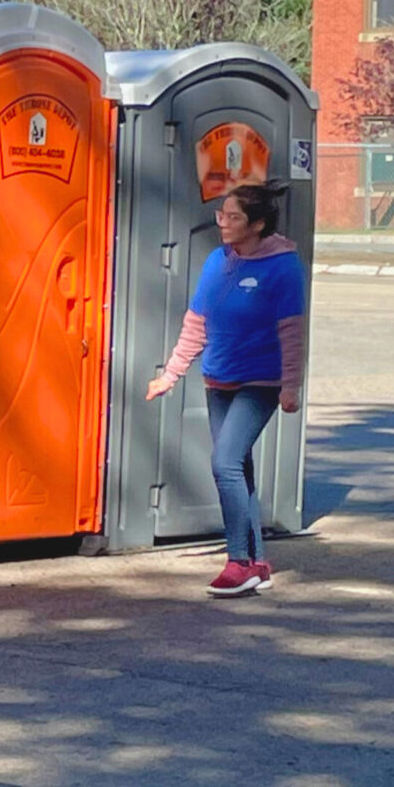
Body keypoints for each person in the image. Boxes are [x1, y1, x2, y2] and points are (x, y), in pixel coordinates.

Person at [145, 178, 306, 599]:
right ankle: (257, 563)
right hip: (218, 378)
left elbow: (292, 332)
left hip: (261, 382)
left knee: (225, 463)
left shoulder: (284, 267)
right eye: (222, 214)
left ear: (257, 224)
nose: (224, 223)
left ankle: (237, 563)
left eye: (233, 216)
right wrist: (170, 374)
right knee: (240, 470)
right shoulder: (218, 260)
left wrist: (291, 386)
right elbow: (197, 321)